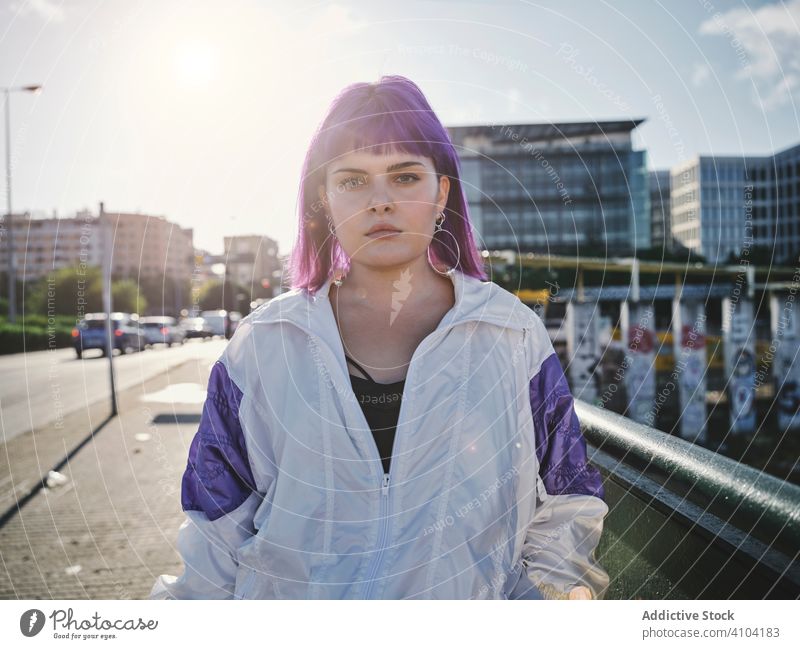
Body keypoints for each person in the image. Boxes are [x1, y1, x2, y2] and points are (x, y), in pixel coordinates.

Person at [150, 75, 609, 600]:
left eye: (405, 176)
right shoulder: (262, 344)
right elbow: (214, 530)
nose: (380, 201)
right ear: (323, 199)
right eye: (352, 181)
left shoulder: (511, 334)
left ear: (442, 193)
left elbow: (567, 501)